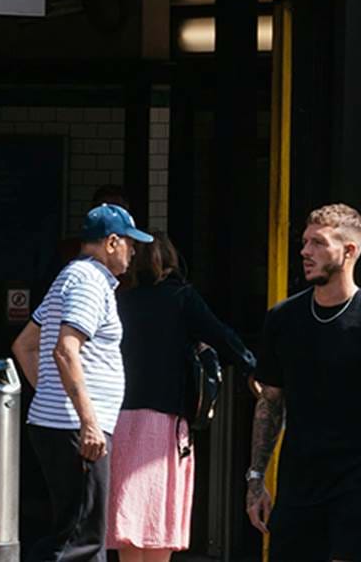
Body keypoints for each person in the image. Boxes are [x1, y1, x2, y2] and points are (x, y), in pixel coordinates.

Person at [246, 204, 361, 562]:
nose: (305, 252)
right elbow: (270, 403)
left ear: (349, 251)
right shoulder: (283, 320)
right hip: (298, 482)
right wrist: (255, 478)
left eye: (318, 243)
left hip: (359, 482)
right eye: (305, 242)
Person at [12, 203, 148, 562]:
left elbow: (24, 344)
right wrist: (87, 421)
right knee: (82, 544)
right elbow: (66, 349)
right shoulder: (89, 282)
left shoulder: (71, 276)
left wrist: (53, 397)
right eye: (131, 244)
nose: (134, 252)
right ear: (113, 242)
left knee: (74, 533)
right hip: (78, 429)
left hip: (62, 424)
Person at [108, 234, 255, 562]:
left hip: (119, 418)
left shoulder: (119, 299)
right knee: (158, 515)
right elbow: (222, 336)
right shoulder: (181, 297)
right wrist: (254, 368)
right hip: (164, 420)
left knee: (128, 515)